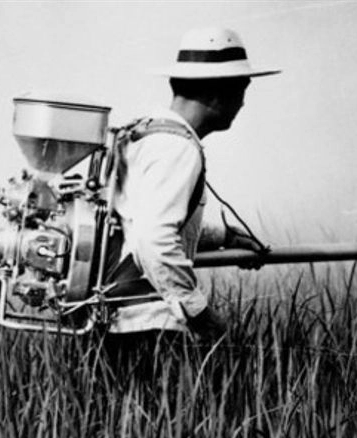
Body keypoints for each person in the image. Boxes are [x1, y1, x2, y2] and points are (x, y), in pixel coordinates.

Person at [100, 27, 280, 371]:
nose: (242, 103)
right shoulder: (177, 148)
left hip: (116, 320)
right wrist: (200, 315)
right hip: (148, 328)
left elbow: (136, 221)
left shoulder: (142, 133)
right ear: (217, 91)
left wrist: (224, 238)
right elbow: (154, 239)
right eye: (241, 90)